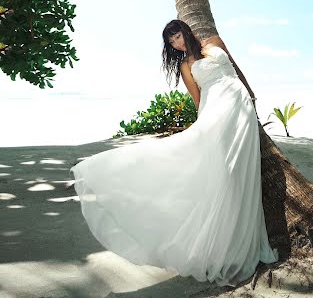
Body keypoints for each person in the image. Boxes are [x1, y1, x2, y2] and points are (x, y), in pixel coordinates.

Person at [70, 19, 278, 288]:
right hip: (216, 111)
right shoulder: (184, 65)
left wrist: (251, 94)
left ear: (186, 31)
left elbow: (236, 70)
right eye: (172, 42)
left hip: (240, 104)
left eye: (178, 36)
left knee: (243, 169)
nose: (177, 43)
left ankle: (238, 240)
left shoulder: (213, 41)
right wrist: (203, 126)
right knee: (224, 171)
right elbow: (198, 99)